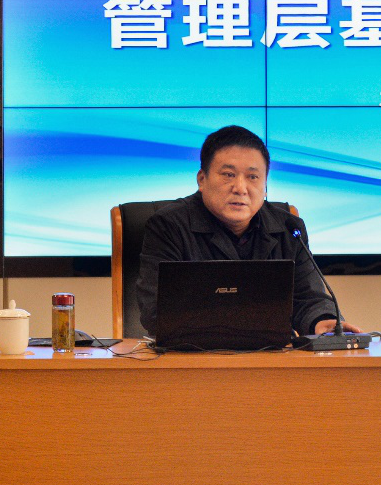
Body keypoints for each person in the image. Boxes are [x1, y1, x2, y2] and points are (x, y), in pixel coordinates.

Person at [135, 125, 363, 339]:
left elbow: (308, 297)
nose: (240, 188)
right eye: (228, 175)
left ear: (265, 186)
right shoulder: (169, 226)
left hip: (270, 358)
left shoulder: (289, 228)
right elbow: (157, 309)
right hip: (192, 357)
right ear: (202, 179)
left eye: (252, 177)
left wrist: (322, 320)